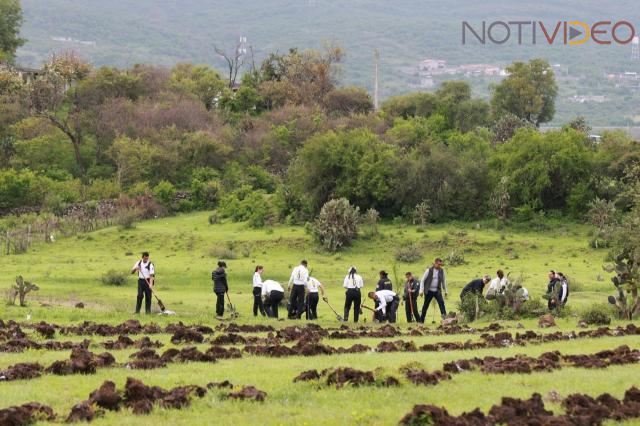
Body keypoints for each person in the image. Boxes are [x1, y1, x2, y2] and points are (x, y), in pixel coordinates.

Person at [419, 258, 448, 322]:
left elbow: (443, 281)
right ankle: (421, 320)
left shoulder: (442, 271)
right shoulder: (428, 270)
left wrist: (446, 291)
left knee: (441, 304)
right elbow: (422, 280)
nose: (439, 266)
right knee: (426, 305)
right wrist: (421, 291)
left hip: (437, 290)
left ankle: (445, 320)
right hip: (429, 290)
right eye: (438, 264)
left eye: (440, 265)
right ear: (435, 263)